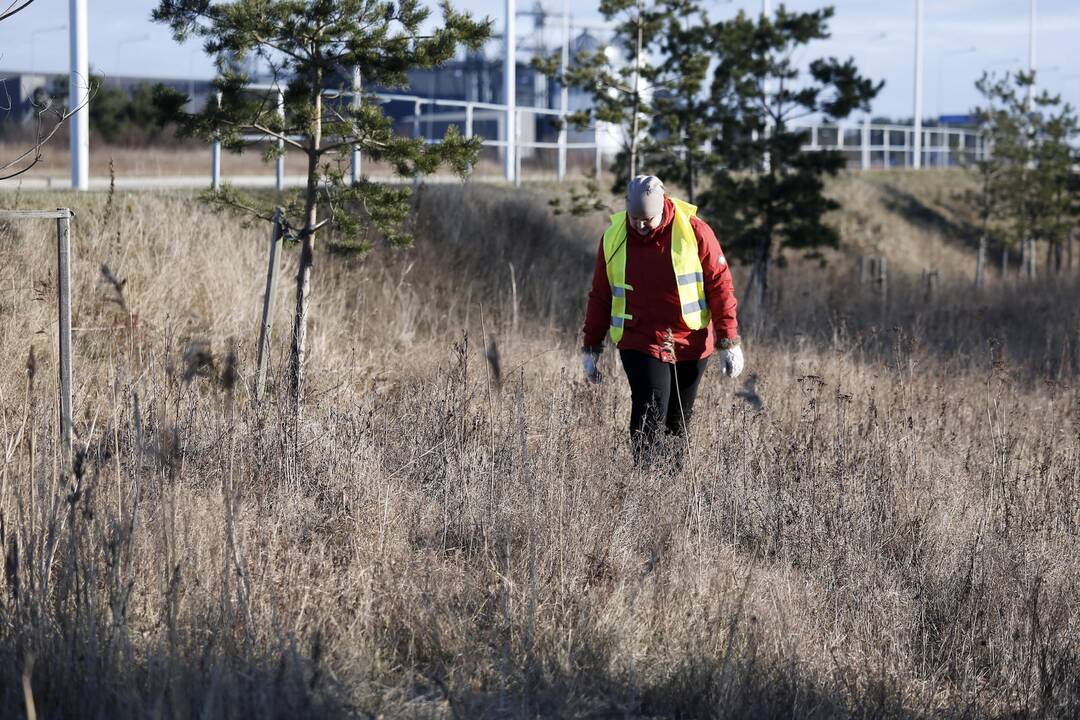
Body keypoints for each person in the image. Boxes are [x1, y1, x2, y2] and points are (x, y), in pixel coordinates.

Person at [581, 175, 743, 456]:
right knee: (650, 404)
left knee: (678, 418)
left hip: (690, 339)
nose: (641, 226)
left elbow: (720, 286)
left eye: (648, 220)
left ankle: (670, 487)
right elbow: (600, 295)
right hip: (639, 338)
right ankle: (645, 480)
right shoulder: (613, 238)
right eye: (635, 219)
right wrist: (591, 346)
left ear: (663, 207)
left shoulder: (694, 231)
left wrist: (729, 341)